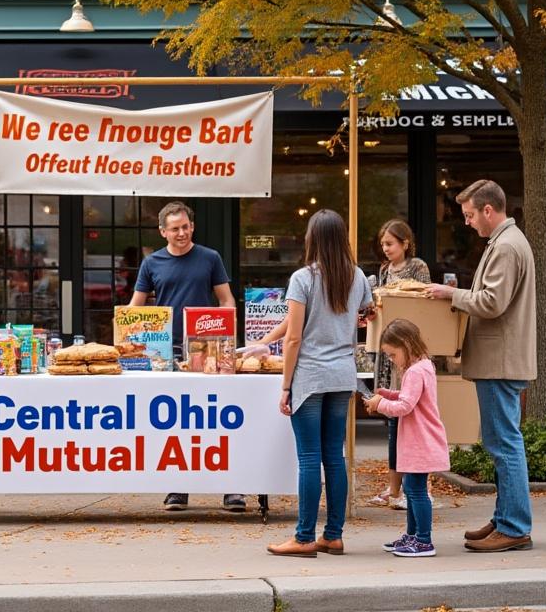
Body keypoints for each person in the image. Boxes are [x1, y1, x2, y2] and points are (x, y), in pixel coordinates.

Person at [424, 179, 536, 553]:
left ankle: (514, 525)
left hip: (499, 361)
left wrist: (450, 294)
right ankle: (505, 519)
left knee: (503, 443)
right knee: (502, 441)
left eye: (470, 215)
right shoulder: (506, 242)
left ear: (489, 210)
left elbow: (491, 303)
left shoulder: (505, 246)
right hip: (501, 359)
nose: (468, 222)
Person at [263, 209, 374, 558]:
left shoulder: (303, 278)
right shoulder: (357, 276)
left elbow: (294, 337)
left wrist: (285, 386)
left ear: (312, 239)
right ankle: (333, 535)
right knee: (334, 457)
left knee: (309, 458)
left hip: (310, 376)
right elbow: (367, 313)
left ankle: (304, 536)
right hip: (342, 375)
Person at [129, 201, 240, 512]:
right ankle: (178, 488)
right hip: (167, 352)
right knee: (177, 422)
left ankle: (232, 488)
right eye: (175, 228)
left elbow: (226, 299)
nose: (182, 233)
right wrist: (128, 332)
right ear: (162, 231)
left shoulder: (210, 257)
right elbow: (135, 307)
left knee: (219, 419)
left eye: (186, 226)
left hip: (208, 350)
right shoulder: (151, 263)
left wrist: (224, 334)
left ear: (193, 226)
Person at [365, 319, 449, 558]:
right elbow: (411, 397)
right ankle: (413, 536)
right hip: (420, 440)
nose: (392, 360)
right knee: (412, 488)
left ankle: (423, 540)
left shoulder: (414, 371)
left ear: (406, 344)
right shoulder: (424, 366)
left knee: (416, 489)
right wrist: (389, 394)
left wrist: (380, 403)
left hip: (419, 441)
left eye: (393, 354)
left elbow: (405, 406)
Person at [366, 219, 431, 511]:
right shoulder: (383, 270)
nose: (386, 248)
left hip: (408, 350)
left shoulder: (418, 267)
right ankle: (394, 487)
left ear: (405, 243)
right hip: (387, 351)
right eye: (383, 244)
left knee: (411, 420)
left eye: (390, 243)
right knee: (392, 424)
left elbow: (424, 303)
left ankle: (417, 487)